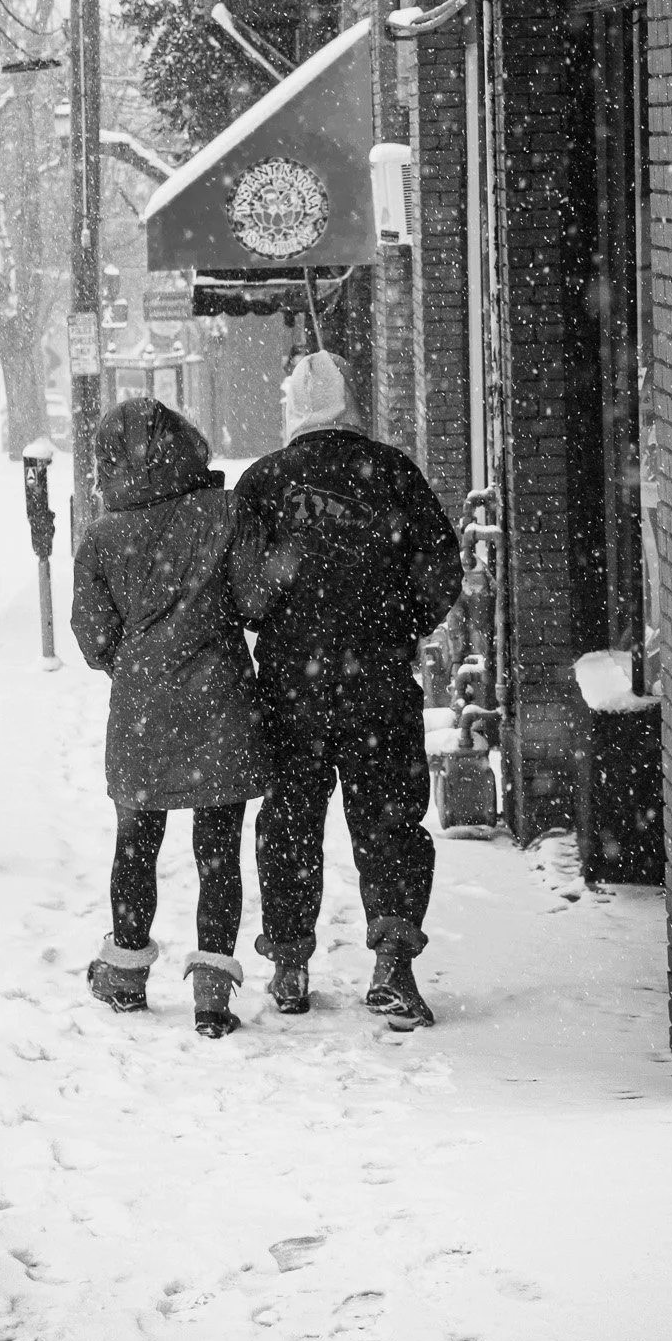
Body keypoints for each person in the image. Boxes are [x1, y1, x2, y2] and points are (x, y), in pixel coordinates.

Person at [236, 350, 463, 1029]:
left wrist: (281, 610)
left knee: (289, 822)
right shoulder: (392, 473)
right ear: (351, 402)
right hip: (378, 682)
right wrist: (397, 624)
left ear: (294, 409)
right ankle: (393, 962)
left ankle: (288, 965)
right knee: (390, 819)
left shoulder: (264, 482)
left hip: (289, 687)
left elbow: (244, 591)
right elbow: (439, 567)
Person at [71, 396, 284, 1039]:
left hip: (141, 713)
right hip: (220, 705)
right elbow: (254, 600)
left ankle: (126, 974)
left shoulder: (104, 537)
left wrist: (138, 667)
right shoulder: (223, 513)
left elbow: (93, 636)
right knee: (217, 851)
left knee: (136, 845)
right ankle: (213, 995)